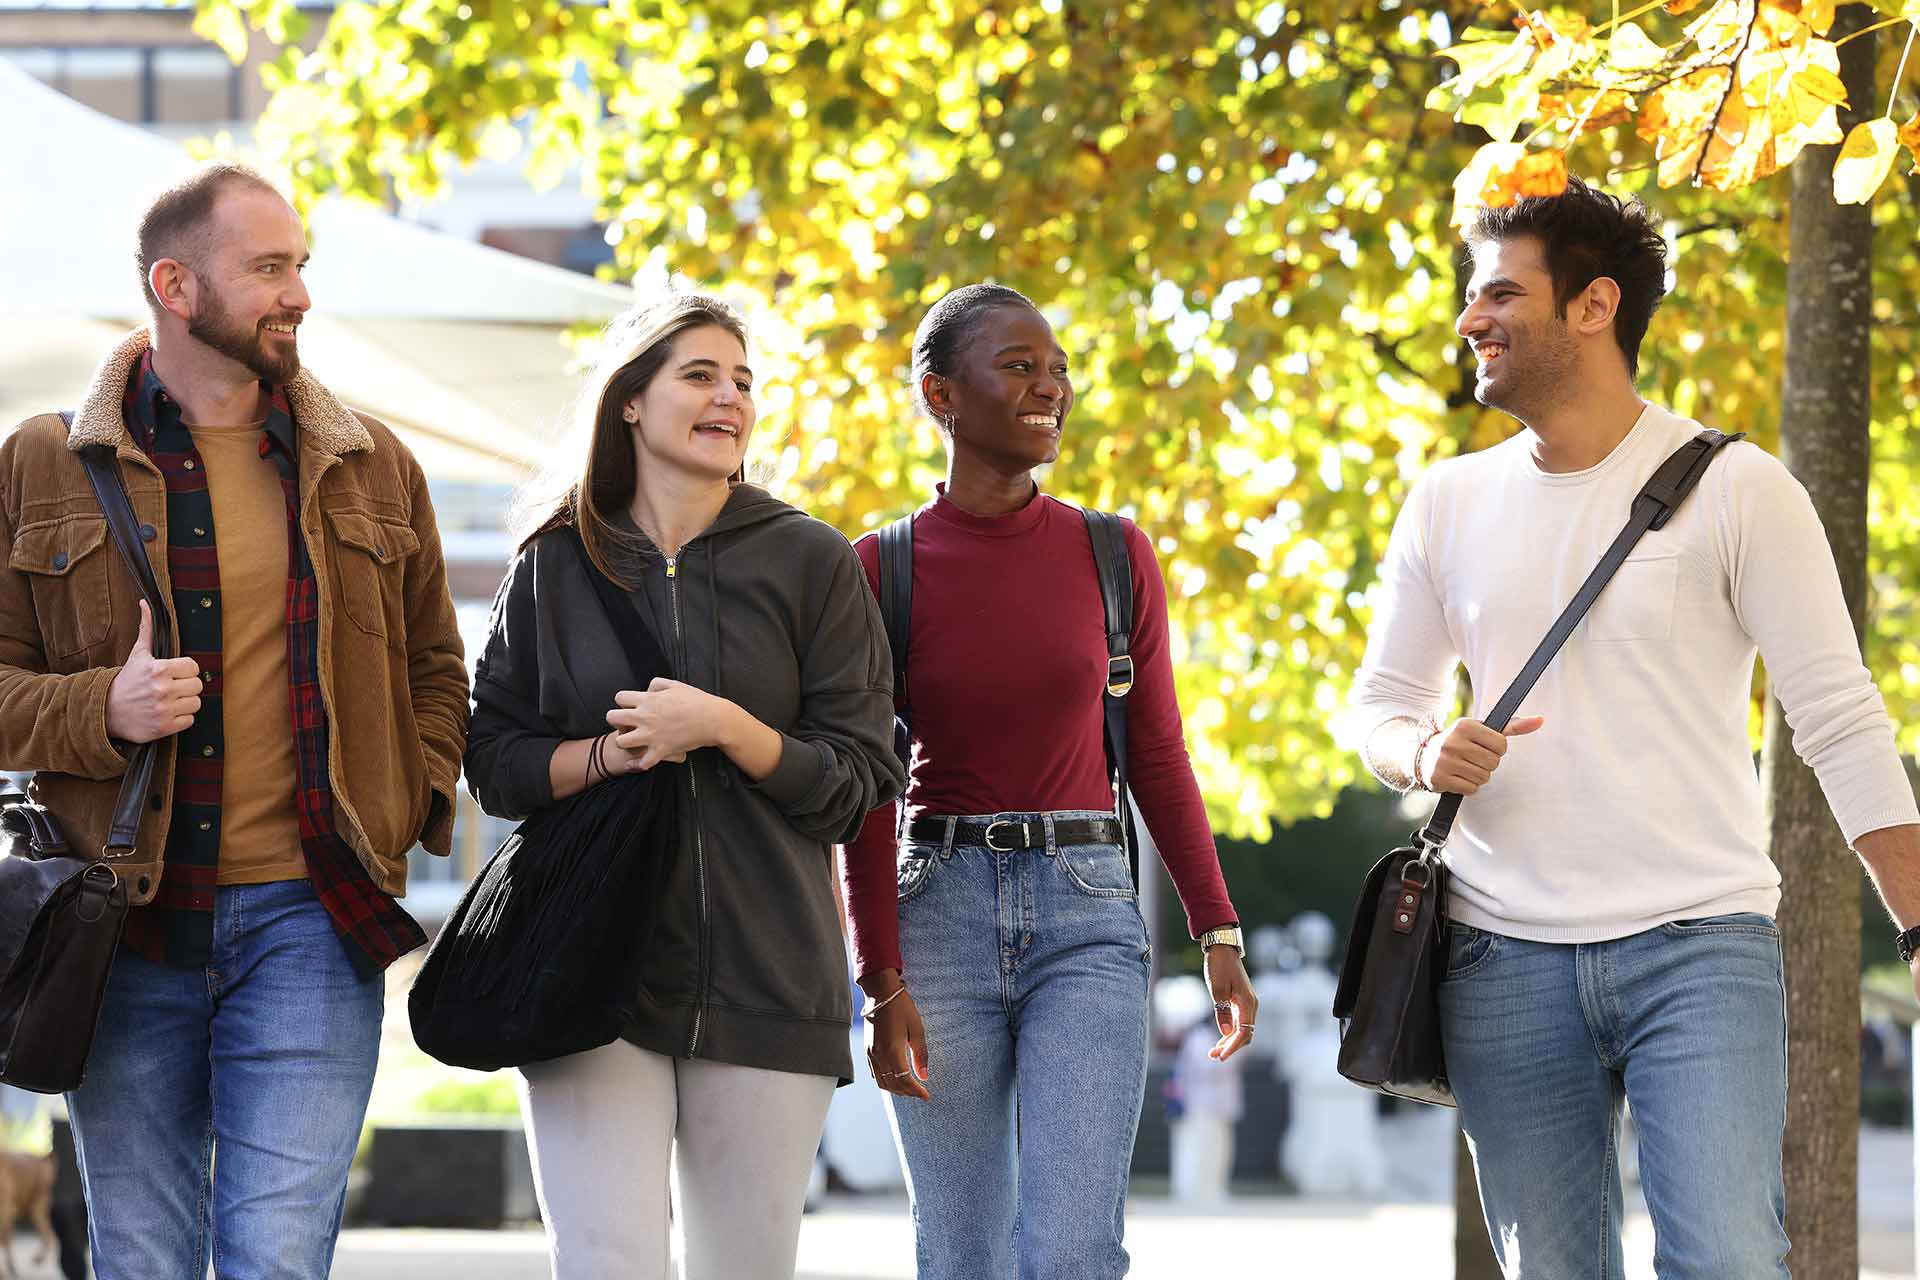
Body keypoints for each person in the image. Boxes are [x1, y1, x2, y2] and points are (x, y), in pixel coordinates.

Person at [1350, 176, 1920, 1276]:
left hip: (1698, 945)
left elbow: (1841, 720)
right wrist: (1422, 749)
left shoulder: (1741, 488)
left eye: (1500, 295)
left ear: (1594, 306)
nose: (1471, 320)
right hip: (1499, 953)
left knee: (1728, 1261)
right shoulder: (1445, 502)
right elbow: (1380, 701)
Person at [0, 161, 469, 1276]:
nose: (297, 291)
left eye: (301, 265)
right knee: (145, 1259)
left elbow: (436, 670)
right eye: (268, 267)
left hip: (315, 917)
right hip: (121, 925)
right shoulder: (41, 460)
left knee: (277, 1258)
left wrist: (410, 802)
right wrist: (97, 707)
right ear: (175, 283)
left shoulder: (373, 464)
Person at [464, 291, 906, 1279]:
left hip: (765, 975)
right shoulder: (551, 565)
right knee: (605, 1261)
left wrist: (728, 727)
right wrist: (602, 756)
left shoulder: (812, 560)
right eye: (700, 374)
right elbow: (492, 757)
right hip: (587, 967)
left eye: (744, 381)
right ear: (631, 400)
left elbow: (859, 782)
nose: (730, 398)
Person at [840, 282, 1258, 1278]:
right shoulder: (878, 566)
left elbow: (1157, 752)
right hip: (935, 910)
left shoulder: (1113, 554)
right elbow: (866, 789)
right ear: (941, 396)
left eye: (1059, 368)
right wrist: (878, 974)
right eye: (1020, 366)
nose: (1052, 387)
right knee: (962, 1249)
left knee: (1072, 1246)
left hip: (1088, 913)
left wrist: (1217, 929)